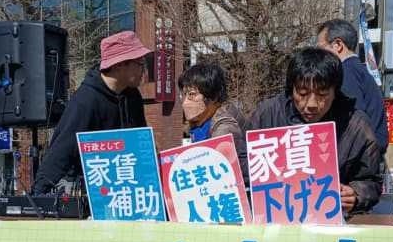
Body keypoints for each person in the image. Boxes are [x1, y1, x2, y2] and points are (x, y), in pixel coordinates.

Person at [247, 47, 383, 214]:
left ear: (335, 91)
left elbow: (371, 181)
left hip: (331, 220)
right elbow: (245, 171)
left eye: (322, 94)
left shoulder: (355, 125)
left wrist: (356, 194)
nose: (311, 104)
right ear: (292, 89)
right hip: (276, 219)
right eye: (302, 93)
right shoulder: (267, 114)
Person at [34, 31, 150, 193]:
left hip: (126, 185)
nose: (144, 71)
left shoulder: (133, 96)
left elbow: (141, 143)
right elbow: (61, 152)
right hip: (93, 190)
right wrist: (39, 194)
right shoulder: (85, 101)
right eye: (140, 63)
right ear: (119, 64)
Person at [316, 19, 389, 153]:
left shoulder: (345, 72)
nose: (318, 56)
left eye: (320, 49)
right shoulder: (359, 70)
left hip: (359, 156)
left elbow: (352, 119)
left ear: (338, 45)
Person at [178, 62, 248, 178]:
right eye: (184, 95)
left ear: (213, 97)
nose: (185, 102)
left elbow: (217, 172)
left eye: (192, 95)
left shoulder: (225, 127)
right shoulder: (200, 123)